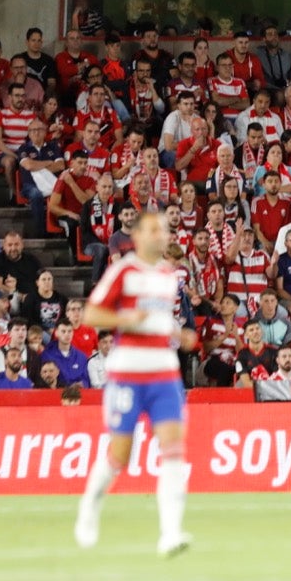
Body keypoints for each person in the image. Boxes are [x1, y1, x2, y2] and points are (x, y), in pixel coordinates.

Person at [75, 210, 196, 556]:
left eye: (165, 230)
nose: (162, 235)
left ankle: (170, 532)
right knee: (119, 454)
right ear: (139, 236)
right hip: (127, 372)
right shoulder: (124, 270)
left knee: (174, 450)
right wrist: (127, 318)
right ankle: (90, 506)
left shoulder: (168, 275)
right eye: (154, 229)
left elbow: (156, 320)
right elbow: (91, 314)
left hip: (164, 372)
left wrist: (177, 333)